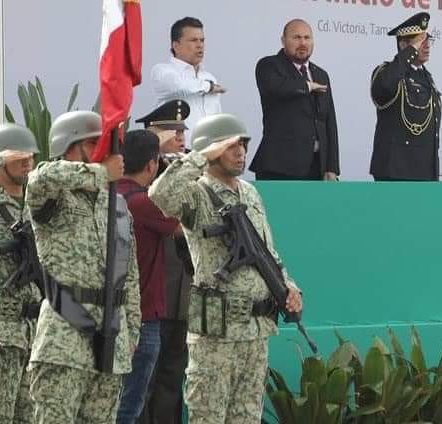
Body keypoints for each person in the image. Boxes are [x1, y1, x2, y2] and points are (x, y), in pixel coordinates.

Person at [148, 113, 303, 423]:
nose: (241, 152)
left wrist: (289, 285)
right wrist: (200, 156)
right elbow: (160, 195)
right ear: (211, 150)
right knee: (209, 416)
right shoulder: (197, 193)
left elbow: (267, 251)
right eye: (231, 146)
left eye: (243, 144)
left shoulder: (250, 193)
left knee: (246, 417)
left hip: (255, 330)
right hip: (216, 333)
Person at [25, 110, 141, 423]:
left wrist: (133, 331)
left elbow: (128, 273)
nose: (107, 151)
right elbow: (42, 177)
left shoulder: (115, 201)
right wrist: (99, 173)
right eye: (95, 143)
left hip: (110, 341)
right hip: (64, 338)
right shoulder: (53, 193)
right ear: (70, 146)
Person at [116, 130, 184, 424]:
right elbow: (184, 225)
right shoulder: (143, 203)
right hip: (144, 317)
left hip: (114, 314)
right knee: (131, 405)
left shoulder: (110, 195)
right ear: (152, 165)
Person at [133, 101, 190, 424]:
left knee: (172, 378)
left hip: (183, 292)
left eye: (183, 130)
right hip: (153, 291)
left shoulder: (191, 168)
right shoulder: (148, 171)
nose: (180, 136)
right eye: (173, 130)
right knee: (146, 381)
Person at [0, 123, 41, 423]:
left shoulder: (39, 207)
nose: (26, 159)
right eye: (17, 154)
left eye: (29, 152)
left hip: (36, 338)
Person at [249, 19, 340, 180]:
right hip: (279, 167)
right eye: (296, 37)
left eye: (307, 38)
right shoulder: (269, 65)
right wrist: (308, 86)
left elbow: (329, 122)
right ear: (283, 40)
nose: (303, 43)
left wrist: (331, 167)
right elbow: (277, 87)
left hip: (316, 167)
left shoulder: (321, 74)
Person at [370, 12, 442, 181]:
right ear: (404, 45)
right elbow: (385, 86)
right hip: (396, 170)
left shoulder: (427, 78)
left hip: (424, 172)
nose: (426, 46)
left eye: (428, 41)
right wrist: (411, 51)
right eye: (420, 41)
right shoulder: (387, 72)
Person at [151, 17, 224, 136]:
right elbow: (178, 85)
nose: (200, 45)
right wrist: (208, 87)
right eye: (193, 40)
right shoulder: (162, 71)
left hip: (207, 151)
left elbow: (216, 117)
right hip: (177, 151)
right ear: (176, 45)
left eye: (202, 40)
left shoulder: (209, 77)